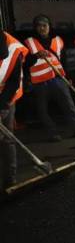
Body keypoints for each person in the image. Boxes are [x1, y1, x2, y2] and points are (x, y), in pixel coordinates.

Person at [24, 14, 75, 141]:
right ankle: (53, 134)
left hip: (58, 79)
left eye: (44, 25)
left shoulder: (58, 40)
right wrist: (36, 55)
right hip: (39, 82)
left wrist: (68, 77)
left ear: (49, 26)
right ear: (35, 28)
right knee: (43, 110)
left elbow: (64, 61)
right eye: (38, 26)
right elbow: (24, 63)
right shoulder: (28, 42)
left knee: (68, 105)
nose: (42, 28)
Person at [0, 30, 28, 189]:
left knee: (7, 138)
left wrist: (2, 106)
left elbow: (13, 82)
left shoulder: (15, 50)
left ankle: (10, 178)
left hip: (7, 96)